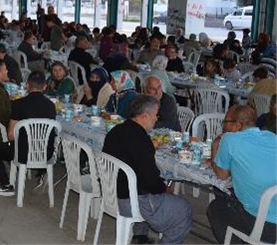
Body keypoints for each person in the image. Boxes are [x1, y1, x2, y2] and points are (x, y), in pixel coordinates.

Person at [103, 95, 193, 244]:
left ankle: (140, 237)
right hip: (130, 201)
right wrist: (164, 188)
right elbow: (151, 181)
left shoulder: (116, 131)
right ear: (145, 115)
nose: (157, 119)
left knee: (142, 184)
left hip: (111, 193)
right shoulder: (141, 140)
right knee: (184, 209)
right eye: (156, 114)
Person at [208, 105, 277, 244]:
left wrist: (215, 146)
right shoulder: (272, 136)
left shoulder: (229, 139)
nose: (224, 127)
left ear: (237, 125)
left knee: (215, 208)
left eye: (226, 122)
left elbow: (222, 175)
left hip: (265, 226)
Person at [0, 71, 58, 195]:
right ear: (45, 86)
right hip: (46, 153)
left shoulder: (18, 104)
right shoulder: (51, 106)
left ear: (27, 85)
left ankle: (5, 184)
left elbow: (11, 135)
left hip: (23, 153)